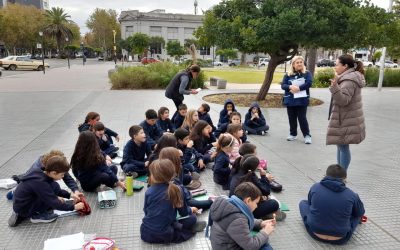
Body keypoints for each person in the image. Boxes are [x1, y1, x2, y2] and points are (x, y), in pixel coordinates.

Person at [140, 159, 206, 243]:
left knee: (166, 221)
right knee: (192, 218)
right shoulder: (176, 190)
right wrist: (191, 209)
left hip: (145, 232)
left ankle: (179, 226)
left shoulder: (149, 191)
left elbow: (146, 211)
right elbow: (184, 212)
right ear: (172, 174)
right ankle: (185, 228)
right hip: (165, 233)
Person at [9, 155, 85, 227]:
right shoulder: (40, 182)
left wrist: (70, 195)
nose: (63, 177)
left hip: (24, 201)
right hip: (24, 207)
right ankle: (36, 216)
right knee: (53, 200)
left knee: (54, 185)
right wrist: (74, 207)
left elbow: (55, 189)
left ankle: (29, 211)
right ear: (53, 173)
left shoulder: (42, 172)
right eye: (62, 175)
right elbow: (54, 203)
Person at [299, 164, 365, 245]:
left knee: (303, 203)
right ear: (344, 179)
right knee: (357, 215)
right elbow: (360, 213)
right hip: (341, 238)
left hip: (315, 233)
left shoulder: (315, 187)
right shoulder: (352, 195)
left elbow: (310, 204)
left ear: (325, 175)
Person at [208, 182, 276, 250]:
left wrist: (261, 223)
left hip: (222, 245)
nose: (256, 206)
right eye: (256, 203)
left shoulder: (230, 203)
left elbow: (241, 220)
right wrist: (265, 232)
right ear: (248, 200)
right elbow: (251, 246)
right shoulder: (238, 219)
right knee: (266, 247)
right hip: (227, 247)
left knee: (263, 242)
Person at [327, 54, 366, 171]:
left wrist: (334, 87)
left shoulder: (349, 80)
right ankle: (340, 174)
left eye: (337, 64)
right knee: (341, 146)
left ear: (345, 66)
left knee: (343, 147)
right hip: (346, 118)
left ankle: (341, 176)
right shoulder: (349, 76)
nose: (335, 66)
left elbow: (344, 100)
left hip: (345, 119)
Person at [229, 155, 284, 221]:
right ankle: (261, 216)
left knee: (264, 199)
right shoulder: (251, 176)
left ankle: (265, 215)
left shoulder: (236, 170)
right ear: (255, 167)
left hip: (234, 204)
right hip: (245, 210)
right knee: (275, 203)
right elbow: (266, 191)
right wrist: (264, 177)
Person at [11, 150, 82, 198]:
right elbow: (44, 192)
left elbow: (67, 178)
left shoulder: (56, 164)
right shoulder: (37, 170)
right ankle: (14, 190)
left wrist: (75, 190)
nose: (63, 175)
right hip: (28, 184)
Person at [281, 56, 312, 144]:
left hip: (302, 100)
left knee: (302, 118)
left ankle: (307, 135)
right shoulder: (288, 74)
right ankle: (293, 134)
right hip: (290, 100)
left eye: (301, 62)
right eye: (297, 62)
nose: (299, 64)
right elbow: (283, 85)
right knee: (292, 118)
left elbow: (309, 83)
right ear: (293, 64)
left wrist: (298, 88)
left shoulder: (307, 73)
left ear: (303, 63)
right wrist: (290, 86)